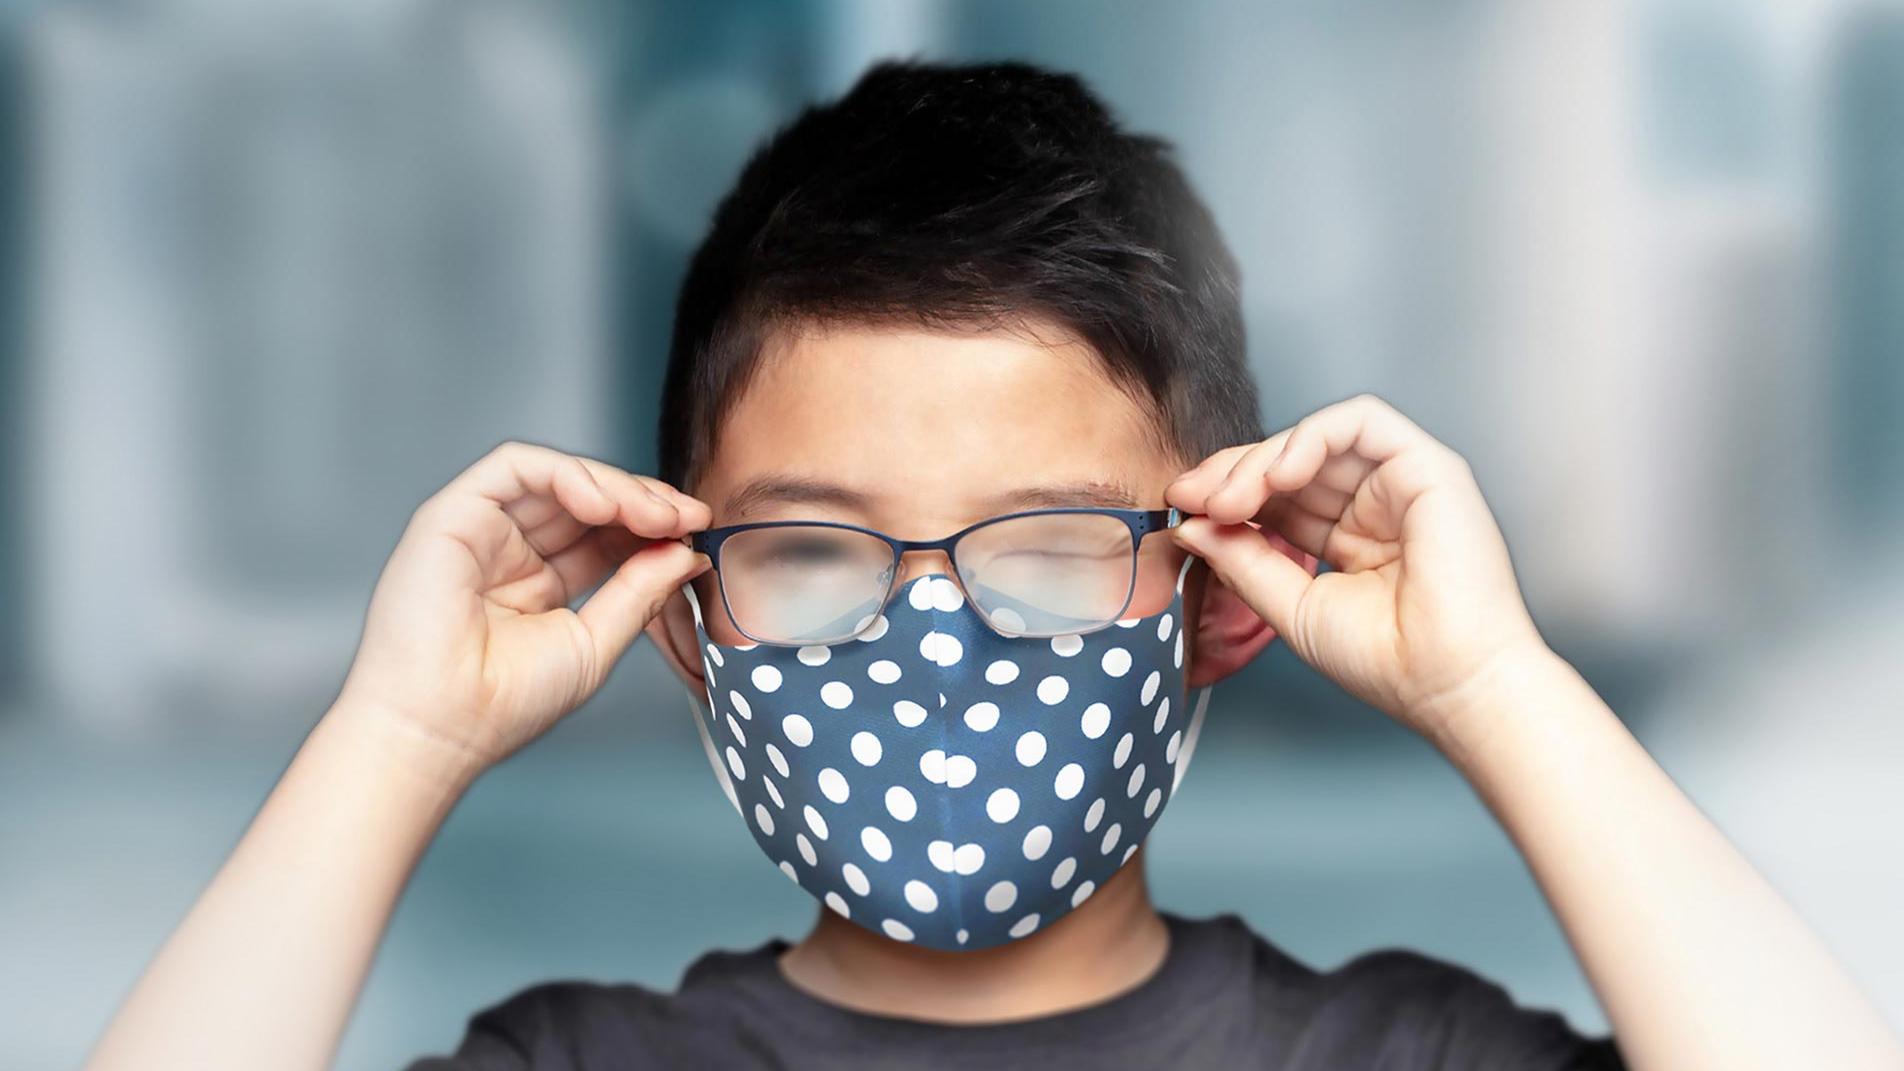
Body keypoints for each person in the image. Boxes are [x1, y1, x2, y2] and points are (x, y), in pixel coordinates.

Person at [85, 59, 1902, 1071]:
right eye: (812, 548)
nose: (929, 635)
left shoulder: (1398, 1060)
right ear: (687, 616)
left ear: (1211, 598)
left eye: (1044, 545)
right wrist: (391, 743)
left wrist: (1500, 693)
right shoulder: (577, 1070)